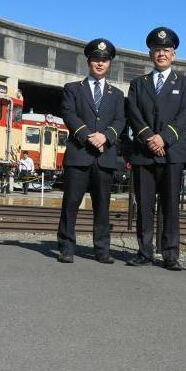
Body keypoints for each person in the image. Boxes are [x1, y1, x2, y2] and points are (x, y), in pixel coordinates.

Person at [126, 27, 186, 270]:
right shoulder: (138, 84)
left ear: (173, 54)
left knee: (170, 206)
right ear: (150, 55)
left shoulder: (185, 83)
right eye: (157, 50)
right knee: (144, 205)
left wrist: (163, 139)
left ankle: (170, 254)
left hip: (172, 152)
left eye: (166, 50)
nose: (162, 54)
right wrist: (149, 138)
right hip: (144, 153)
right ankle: (144, 251)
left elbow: (185, 114)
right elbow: (133, 113)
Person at [57, 38, 126, 264]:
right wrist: (88, 134)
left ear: (109, 64)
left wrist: (106, 136)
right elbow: (69, 114)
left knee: (103, 206)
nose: (100, 63)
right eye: (96, 59)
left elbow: (120, 120)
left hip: (104, 157)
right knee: (71, 203)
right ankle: (67, 247)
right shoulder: (73, 89)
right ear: (89, 61)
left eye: (104, 60)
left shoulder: (116, 94)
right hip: (79, 154)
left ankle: (102, 249)